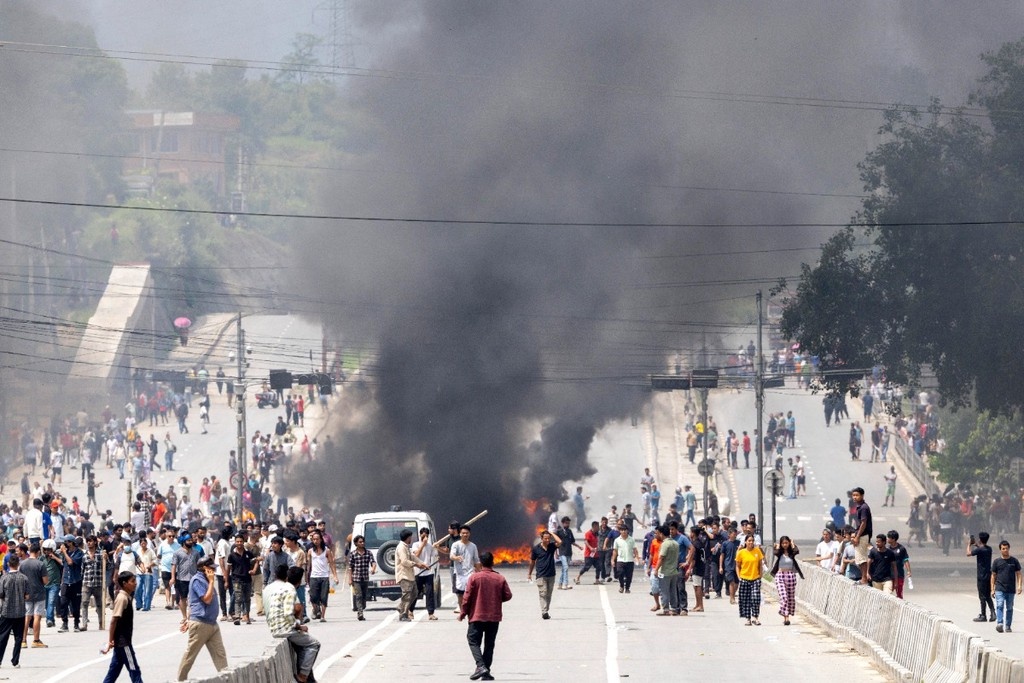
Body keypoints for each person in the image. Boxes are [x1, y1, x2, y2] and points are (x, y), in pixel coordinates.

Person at [459, 551, 512, 682]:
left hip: (477, 615)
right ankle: (486, 671)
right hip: (493, 617)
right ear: (493, 562)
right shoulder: (500, 578)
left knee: (473, 640)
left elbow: (466, 598)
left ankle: (481, 666)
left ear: (480, 563)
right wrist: (495, 599)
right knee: (489, 644)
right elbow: (508, 595)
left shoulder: (474, 578)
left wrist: (463, 613)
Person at [176, 556, 227, 680]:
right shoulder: (197, 580)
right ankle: (180, 680)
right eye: (211, 568)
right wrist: (211, 582)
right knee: (190, 655)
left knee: (220, 654)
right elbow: (207, 600)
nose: (214, 570)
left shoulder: (206, 579)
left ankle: (227, 678)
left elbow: (191, 602)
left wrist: (188, 619)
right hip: (201, 624)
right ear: (204, 568)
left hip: (212, 623)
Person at [103, 572, 143, 683]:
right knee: (134, 670)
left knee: (113, 672)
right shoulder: (122, 598)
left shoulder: (126, 597)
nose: (135, 583)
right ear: (125, 584)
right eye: (132, 581)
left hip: (121, 642)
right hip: (123, 642)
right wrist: (110, 640)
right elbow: (114, 621)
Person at [0, 554, 28, 668]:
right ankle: (15, 661)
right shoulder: (24, 578)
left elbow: (1, 594)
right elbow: (27, 595)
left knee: (2, 637)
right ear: (18, 564)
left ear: (8, 564)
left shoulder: (4, 578)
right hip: (20, 611)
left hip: (6, 611)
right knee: (18, 637)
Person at [527, 529, 561, 619]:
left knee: (549, 594)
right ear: (541, 538)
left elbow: (560, 542)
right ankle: (544, 612)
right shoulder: (536, 549)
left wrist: (552, 533)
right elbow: (532, 562)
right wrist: (529, 574)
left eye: (549, 538)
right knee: (543, 593)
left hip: (551, 574)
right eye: (545, 538)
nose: (547, 540)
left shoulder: (552, 546)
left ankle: (546, 610)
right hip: (541, 575)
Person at [770, 536, 804, 625]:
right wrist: (777, 546)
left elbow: (797, 551)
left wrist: (792, 544)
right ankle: (785, 615)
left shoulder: (791, 553)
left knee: (790, 598)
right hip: (780, 576)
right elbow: (775, 552)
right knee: (784, 597)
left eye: (786, 543)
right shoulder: (780, 553)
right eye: (783, 543)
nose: (785, 545)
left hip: (790, 576)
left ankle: (786, 616)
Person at [395, 529, 427, 622]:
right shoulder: (401, 547)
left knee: (414, 593)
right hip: (404, 575)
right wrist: (417, 565)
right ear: (407, 538)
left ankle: (400, 607)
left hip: (410, 575)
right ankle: (403, 614)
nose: (411, 539)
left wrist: (423, 564)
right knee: (407, 595)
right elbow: (404, 561)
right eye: (410, 537)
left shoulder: (406, 547)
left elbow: (413, 557)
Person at [307, 530, 338, 622]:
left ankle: (323, 616)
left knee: (324, 597)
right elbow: (308, 566)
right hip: (314, 576)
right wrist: (306, 577)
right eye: (314, 539)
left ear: (321, 539)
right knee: (313, 596)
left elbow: (332, 563)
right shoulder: (310, 551)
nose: (315, 541)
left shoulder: (327, 551)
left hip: (324, 576)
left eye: (317, 539)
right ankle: (316, 609)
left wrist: (335, 576)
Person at [992, 540, 1022, 633]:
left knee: (1009, 608)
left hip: (1010, 589)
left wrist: (1019, 586)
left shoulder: (1014, 561)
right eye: (1003, 548)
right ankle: (1000, 623)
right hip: (999, 588)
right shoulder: (997, 562)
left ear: (1009, 549)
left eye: (1006, 548)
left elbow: (1019, 574)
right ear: (1000, 549)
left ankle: (1008, 625)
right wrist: (992, 589)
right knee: (1000, 605)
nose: (1005, 550)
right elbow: (993, 575)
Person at [450, 525, 482, 612]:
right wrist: (456, 558)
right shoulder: (456, 545)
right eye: (463, 533)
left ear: (469, 534)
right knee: (460, 594)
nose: (465, 535)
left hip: (470, 573)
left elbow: (476, 560)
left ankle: (470, 611)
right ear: (460, 534)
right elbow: (451, 556)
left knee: (471, 593)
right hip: (459, 574)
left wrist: (480, 572)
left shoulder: (473, 546)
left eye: (467, 533)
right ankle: (462, 611)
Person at [735, 534, 764, 626]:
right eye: (749, 541)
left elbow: (760, 564)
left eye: (752, 541)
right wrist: (739, 577)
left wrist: (760, 576)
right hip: (744, 578)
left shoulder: (757, 551)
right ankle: (748, 619)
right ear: (745, 542)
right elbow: (737, 566)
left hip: (755, 578)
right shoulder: (741, 552)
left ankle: (755, 617)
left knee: (755, 598)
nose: (751, 542)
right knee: (746, 600)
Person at [346, 535, 376, 621]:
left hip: (365, 578)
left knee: (364, 596)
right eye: (360, 542)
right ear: (356, 543)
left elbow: (373, 562)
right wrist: (350, 579)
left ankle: (362, 607)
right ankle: (360, 613)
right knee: (358, 595)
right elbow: (350, 567)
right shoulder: (353, 554)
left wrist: (373, 568)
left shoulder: (368, 553)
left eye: (363, 542)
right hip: (356, 578)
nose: (362, 543)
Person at [968, 532, 996, 623]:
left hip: (981, 576)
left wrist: (969, 544)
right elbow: (981, 548)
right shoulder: (989, 549)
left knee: (982, 596)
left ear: (980, 539)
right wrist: (976, 544)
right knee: (988, 595)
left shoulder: (979, 550)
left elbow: (968, 553)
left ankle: (983, 615)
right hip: (988, 575)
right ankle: (993, 612)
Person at [655, 525, 681, 616]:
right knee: (673, 591)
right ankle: (674, 609)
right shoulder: (675, 543)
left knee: (664, 591)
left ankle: (665, 609)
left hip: (665, 572)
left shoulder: (665, 544)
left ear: (661, 534)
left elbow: (661, 558)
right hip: (674, 571)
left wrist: (656, 569)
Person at [850, 487, 872, 584]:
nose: (854, 497)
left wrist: (857, 536)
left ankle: (864, 578)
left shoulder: (863, 507)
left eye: (857, 495)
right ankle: (863, 578)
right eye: (853, 495)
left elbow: (863, 523)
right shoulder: (859, 506)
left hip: (863, 535)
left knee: (862, 558)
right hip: (860, 534)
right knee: (859, 558)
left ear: (862, 496)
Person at [611, 525, 640, 594]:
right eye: (622, 530)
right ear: (620, 531)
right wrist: (612, 560)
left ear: (627, 531)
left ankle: (627, 588)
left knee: (629, 576)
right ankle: (621, 586)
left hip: (629, 560)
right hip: (620, 560)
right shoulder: (617, 540)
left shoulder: (631, 539)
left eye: (625, 530)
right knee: (620, 573)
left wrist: (637, 558)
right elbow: (615, 551)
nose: (623, 531)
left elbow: (635, 549)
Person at [554, 517, 581, 590]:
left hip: (569, 552)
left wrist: (579, 546)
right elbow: (555, 543)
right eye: (566, 523)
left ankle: (560, 584)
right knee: (565, 567)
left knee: (564, 569)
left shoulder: (569, 531)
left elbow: (572, 541)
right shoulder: (559, 532)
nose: (567, 524)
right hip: (562, 552)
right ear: (563, 523)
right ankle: (565, 584)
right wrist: (556, 553)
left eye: (568, 523)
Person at [887, 530, 912, 599]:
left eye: (888, 537)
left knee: (899, 594)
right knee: (887, 593)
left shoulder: (901, 549)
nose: (887, 539)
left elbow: (906, 560)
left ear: (893, 539)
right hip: (888, 575)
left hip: (899, 574)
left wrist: (909, 571)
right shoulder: (887, 549)